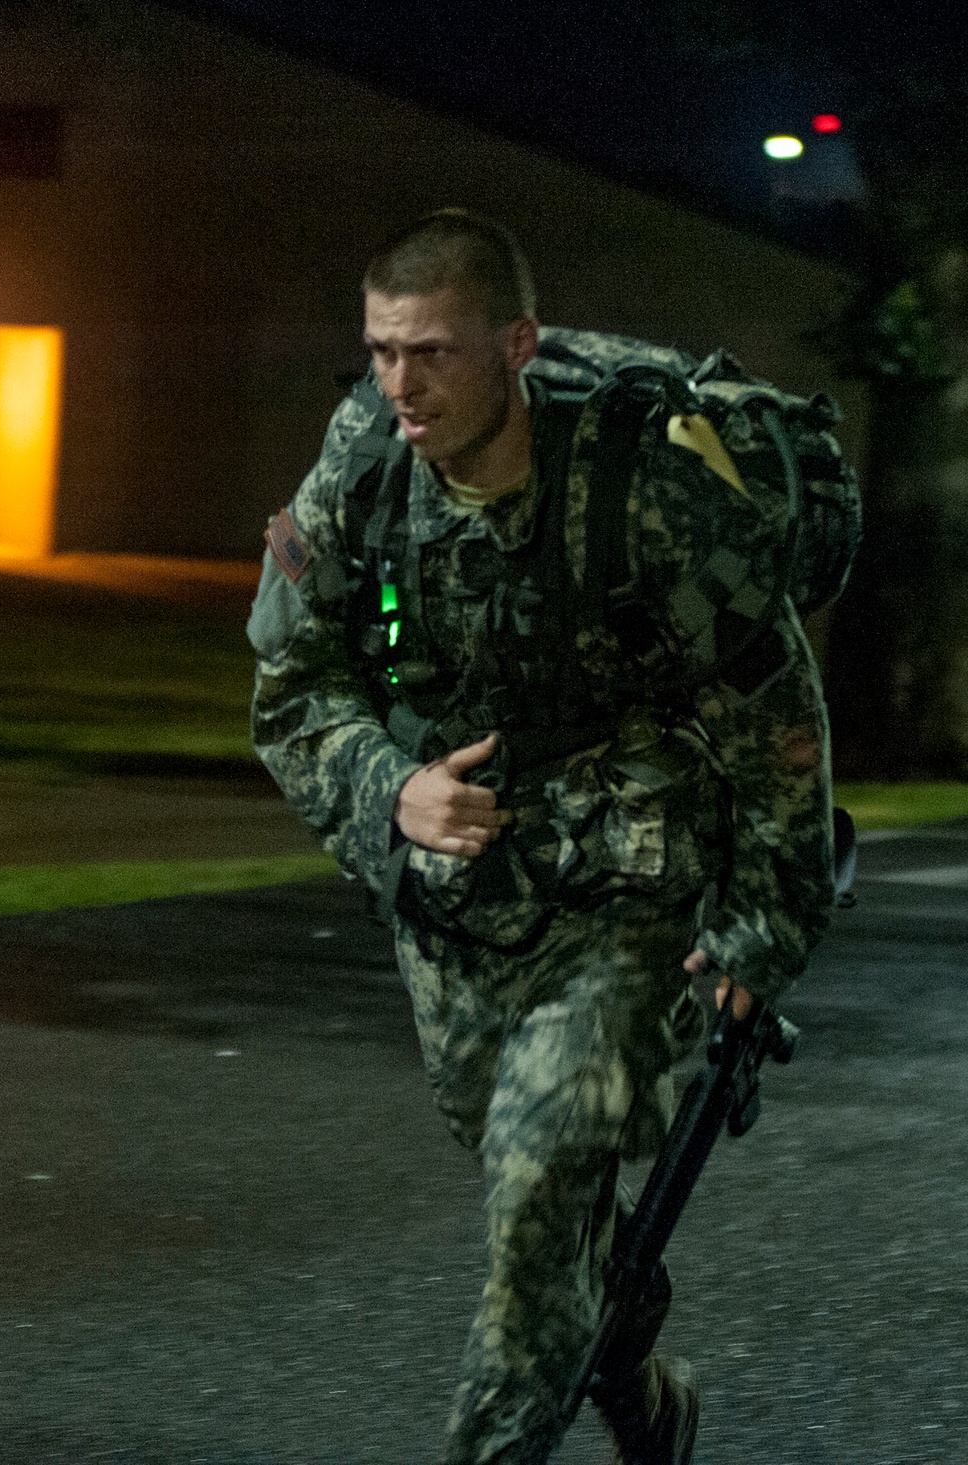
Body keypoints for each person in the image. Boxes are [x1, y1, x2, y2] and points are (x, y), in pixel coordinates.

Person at [247, 210, 836, 1464]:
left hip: (632, 885)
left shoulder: (647, 487)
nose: (399, 384)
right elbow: (292, 693)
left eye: (434, 353)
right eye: (380, 351)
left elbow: (775, 721)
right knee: (539, 1195)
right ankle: (635, 1377)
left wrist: (759, 933)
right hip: (457, 896)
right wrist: (385, 792)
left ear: (515, 344)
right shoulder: (360, 466)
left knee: (535, 1180)